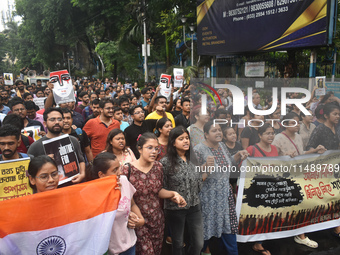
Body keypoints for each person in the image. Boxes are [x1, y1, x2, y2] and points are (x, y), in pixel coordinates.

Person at [121, 132, 186, 255]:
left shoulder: (158, 167)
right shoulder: (127, 169)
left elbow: (158, 191)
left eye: (156, 148)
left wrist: (173, 194)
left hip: (157, 220)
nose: (154, 151)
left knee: (156, 251)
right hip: (138, 221)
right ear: (139, 149)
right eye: (149, 148)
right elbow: (124, 198)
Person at [194, 121, 248, 255]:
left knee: (228, 227)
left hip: (225, 195)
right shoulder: (198, 150)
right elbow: (193, 174)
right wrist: (205, 166)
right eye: (214, 131)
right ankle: (202, 250)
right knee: (206, 228)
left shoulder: (222, 146)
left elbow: (228, 162)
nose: (218, 133)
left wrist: (238, 155)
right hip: (208, 196)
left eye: (219, 130)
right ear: (206, 134)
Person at [89, 152, 145, 255]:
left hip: (130, 244)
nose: (120, 172)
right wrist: (113, 195)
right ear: (101, 175)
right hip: (109, 250)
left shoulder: (123, 181)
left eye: (119, 168)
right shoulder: (93, 194)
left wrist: (139, 220)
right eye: (115, 170)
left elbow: (132, 204)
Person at [160, 127, 204, 255]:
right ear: (173, 142)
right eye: (181, 139)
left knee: (198, 243)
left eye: (187, 138)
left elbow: (198, 181)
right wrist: (173, 196)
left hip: (194, 206)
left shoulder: (193, 160)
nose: (186, 141)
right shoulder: (165, 163)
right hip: (175, 209)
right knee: (178, 244)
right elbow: (161, 187)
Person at [27, 107, 85, 184]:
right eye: (52, 119)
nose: (57, 122)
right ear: (45, 123)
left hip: (73, 185)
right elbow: (29, 172)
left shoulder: (73, 140)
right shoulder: (36, 146)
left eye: (59, 119)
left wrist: (82, 174)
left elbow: (81, 160)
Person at [246, 123, 278, 255]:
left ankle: (261, 239)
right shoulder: (251, 149)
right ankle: (257, 244)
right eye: (267, 133)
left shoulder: (275, 149)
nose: (270, 136)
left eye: (272, 133)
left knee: (268, 214)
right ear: (260, 135)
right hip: (256, 188)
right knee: (259, 215)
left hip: (271, 187)